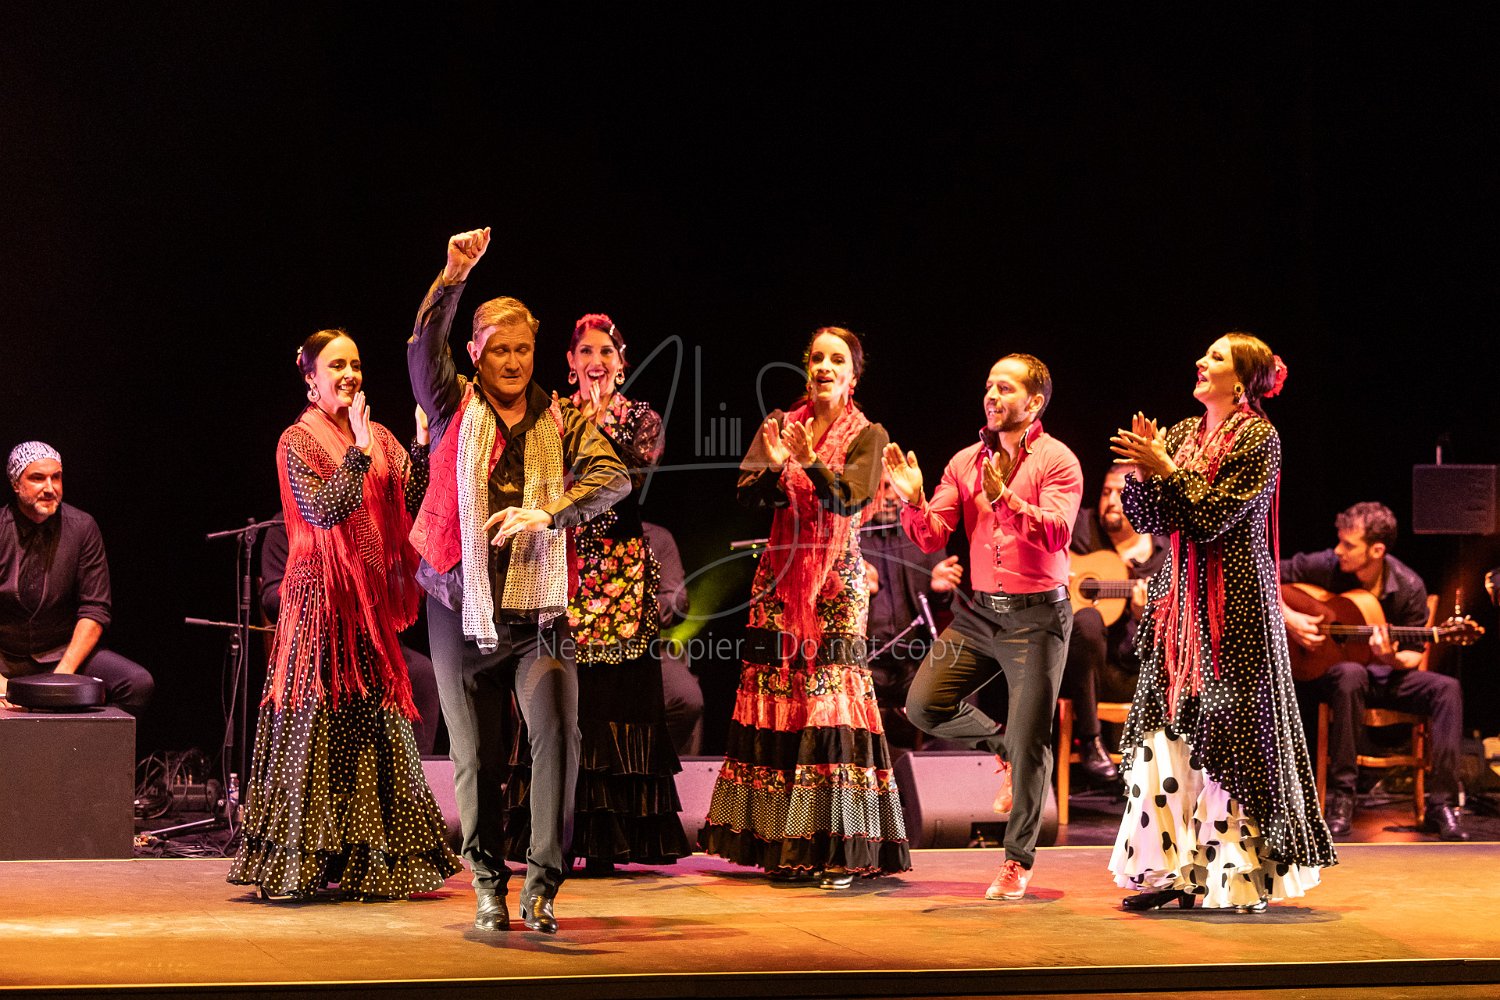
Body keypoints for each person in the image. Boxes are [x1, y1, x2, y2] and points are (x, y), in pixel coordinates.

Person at [406, 228, 629, 934]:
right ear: (475, 354)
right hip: (459, 603)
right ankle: (485, 880)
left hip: (539, 616)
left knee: (557, 739)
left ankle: (542, 886)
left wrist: (550, 511)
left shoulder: (559, 418)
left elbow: (613, 475)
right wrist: (452, 277)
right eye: (498, 349)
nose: (511, 361)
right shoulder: (450, 404)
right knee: (474, 758)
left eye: (523, 349)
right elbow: (422, 348)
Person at [227, 329, 461, 901]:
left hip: (366, 609)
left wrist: (421, 444)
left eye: (355, 363)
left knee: (375, 731)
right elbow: (324, 509)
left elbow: (416, 497)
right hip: (318, 607)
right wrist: (357, 450)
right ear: (311, 378)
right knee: (314, 732)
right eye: (336, 365)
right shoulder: (296, 440)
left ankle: (373, 864)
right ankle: (298, 867)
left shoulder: (378, 436)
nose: (350, 373)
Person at [1106, 331, 1335, 913]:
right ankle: (1177, 871)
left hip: (1236, 606)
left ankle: (1235, 877)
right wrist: (1145, 475)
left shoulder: (1260, 437)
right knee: (1168, 731)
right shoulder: (1185, 432)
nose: (1201, 362)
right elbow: (1153, 519)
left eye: (1216, 357)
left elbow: (1212, 517)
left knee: (1232, 736)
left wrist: (1166, 469)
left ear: (1242, 379)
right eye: (1205, 354)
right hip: (1179, 606)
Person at [700, 326, 910, 889]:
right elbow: (747, 494)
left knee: (827, 706)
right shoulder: (782, 424)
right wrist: (773, 466)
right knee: (781, 701)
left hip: (834, 585)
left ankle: (838, 849)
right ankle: (784, 844)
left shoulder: (868, 434)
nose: (824, 366)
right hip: (778, 578)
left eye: (837, 359)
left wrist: (811, 460)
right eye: (817, 357)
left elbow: (850, 497)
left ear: (853, 375)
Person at [884, 353, 1083, 903]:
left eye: (1006, 387)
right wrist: (914, 500)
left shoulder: (1058, 460)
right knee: (923, 706)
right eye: (989, 385)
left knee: (1032, 739)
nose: (992, 395)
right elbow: (931, 536)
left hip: (1038, 617)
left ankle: (1017, 860)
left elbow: (1057, 533)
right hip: (979, 613)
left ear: (1034, 402)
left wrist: (1005, 498)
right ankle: (1001, 746)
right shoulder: (965, 461)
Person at [501, 313, 691, 873]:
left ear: (621, 363)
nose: (596, 361)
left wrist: (599, 418)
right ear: (570, 361)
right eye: (586, 351)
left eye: (606, 351)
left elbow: (628, 475)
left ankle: (613, 843)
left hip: (623, 575)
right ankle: (554, 836)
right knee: (568, 700)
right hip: (566, 566)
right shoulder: (553, 414)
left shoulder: (639, 419)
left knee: (619, 700)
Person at [1281, 502, 1468, 841]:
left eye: (1348, 545)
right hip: (1339, 680)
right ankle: (1342, 797)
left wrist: (1390, 657)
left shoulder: (1409, 586)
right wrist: (1289, 617)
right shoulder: (1327, 564)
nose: (1339, 550)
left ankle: (1442, 804)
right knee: (1351, 672)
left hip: (1388, 676)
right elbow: (1260, 573)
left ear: (1377, 550)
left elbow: (1412, 656)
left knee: (1447, 688)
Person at [259, 511, 443, 755]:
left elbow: (405, 591)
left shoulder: (372, 519)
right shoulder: (287, 524)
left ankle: (411, 774)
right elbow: (272, 598)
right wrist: (330, 590)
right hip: (315, 649)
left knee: (421, 674)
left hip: (374, 645)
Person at [0, 442, 154, 718]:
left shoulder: (82, 527)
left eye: (56, 477)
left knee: (137, 684)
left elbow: (95, 609)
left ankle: (83, 746)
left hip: (63, 655)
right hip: (4, 657)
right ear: (15, 484)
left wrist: (61, 678)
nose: (50, 488)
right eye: (37, 478)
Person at [1061, 465, 1170, 785]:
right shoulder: (1081, 528)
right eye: (1106, 492)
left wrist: (1142, 616)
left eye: (1121, 494)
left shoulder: (1164, 555)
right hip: (1079, 671)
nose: (1110, 501)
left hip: (1135, 674)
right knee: (1087, 619)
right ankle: (1090, 738)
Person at [861, 470, 956, 753]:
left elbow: (946, 607)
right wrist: (855, 588)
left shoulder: (923, 536)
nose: (891, 495)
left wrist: (941, 590)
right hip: (863, 662)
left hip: (912, 662)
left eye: (896, 488)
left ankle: (942, 767)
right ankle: (885, 765)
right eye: (882, 487)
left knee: (959, 680)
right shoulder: (850, 539)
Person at [644, 520, 705, 758]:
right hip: (581, 650)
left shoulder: (656, 536)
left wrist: (636, 606)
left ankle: (651, 763)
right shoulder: (573, 532)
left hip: (644, 647)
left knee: (686, 698)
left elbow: (676, 598)